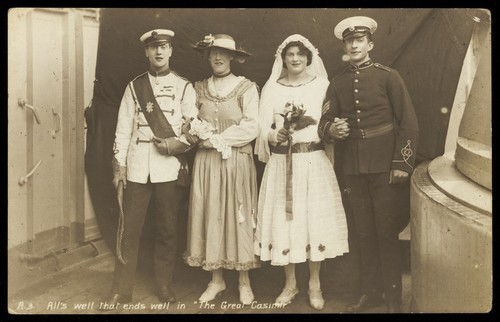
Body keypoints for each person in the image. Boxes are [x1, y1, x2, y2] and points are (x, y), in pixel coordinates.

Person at [319, 16, 419, 313]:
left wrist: (402, 162)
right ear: (344, 46)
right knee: (362, 233)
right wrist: (331, 131)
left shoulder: (389, 76)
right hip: (353, 167)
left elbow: (408, 123)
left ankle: (392, 299)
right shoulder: (336, 83)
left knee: (385, 234)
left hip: (386, 166)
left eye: (359, 40)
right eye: (349, 41)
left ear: (369, 44)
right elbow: (324, 121)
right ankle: (370, 294)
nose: (353, 45)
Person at [254, 34, 349, 311]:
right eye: (290, 54)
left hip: (313, 161)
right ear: (282, 58)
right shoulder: (271, 87)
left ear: (309, 57)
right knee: (286, 221)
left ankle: (315, 284)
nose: (295, 58)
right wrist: (275, 134)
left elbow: (329, 121)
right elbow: (261, 129)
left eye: (300, 54)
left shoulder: (322, 85)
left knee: (312, 220)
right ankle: (291, 283)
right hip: (282, 164)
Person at [105, 29, 198, 308]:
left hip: (168, 167)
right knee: (129, 229)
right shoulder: (134, 86)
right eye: (154, 47)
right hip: (136, 167)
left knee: (167, 229)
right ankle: (122, 290)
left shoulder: (184, 87)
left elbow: (193, 131)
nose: (159, 52)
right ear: (146, 52)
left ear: (171, 51)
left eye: (164, 46)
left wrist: (171, 146)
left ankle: (164, 284)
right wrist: (119, 166)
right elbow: (122, 130)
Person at [183, 34, 260, 305]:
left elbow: (252, 126)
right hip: (207, 163)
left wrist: (216, 139)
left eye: (223, 53)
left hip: (235, 160)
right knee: (211, 213)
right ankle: (216, 280)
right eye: (213, 53)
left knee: (237, 215)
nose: (217, 58)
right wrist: (195, 132)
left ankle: (243, 281)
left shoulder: (246, 88)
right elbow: (188, 119)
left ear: (232, 57)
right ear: (207, 56)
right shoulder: (198, 87)